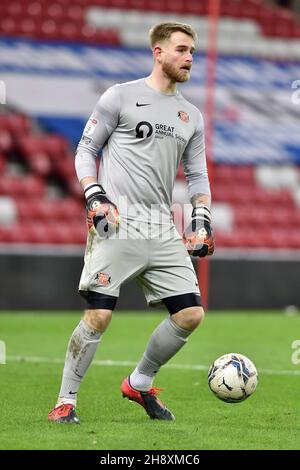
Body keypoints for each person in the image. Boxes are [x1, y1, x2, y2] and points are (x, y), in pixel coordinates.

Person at [48, 22, 215, 424]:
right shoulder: (120, 97)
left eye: (192, 50)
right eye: (181, 49)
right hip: (117, 222)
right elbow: (86, 149)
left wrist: (201, 218)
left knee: (190, 314)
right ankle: (66, 401)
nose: (189, 56)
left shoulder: (191, 115)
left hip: (161, 225)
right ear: (158, 53)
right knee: (100, 315)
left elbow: (198, 176)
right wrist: (94, 194)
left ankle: (139, 383)